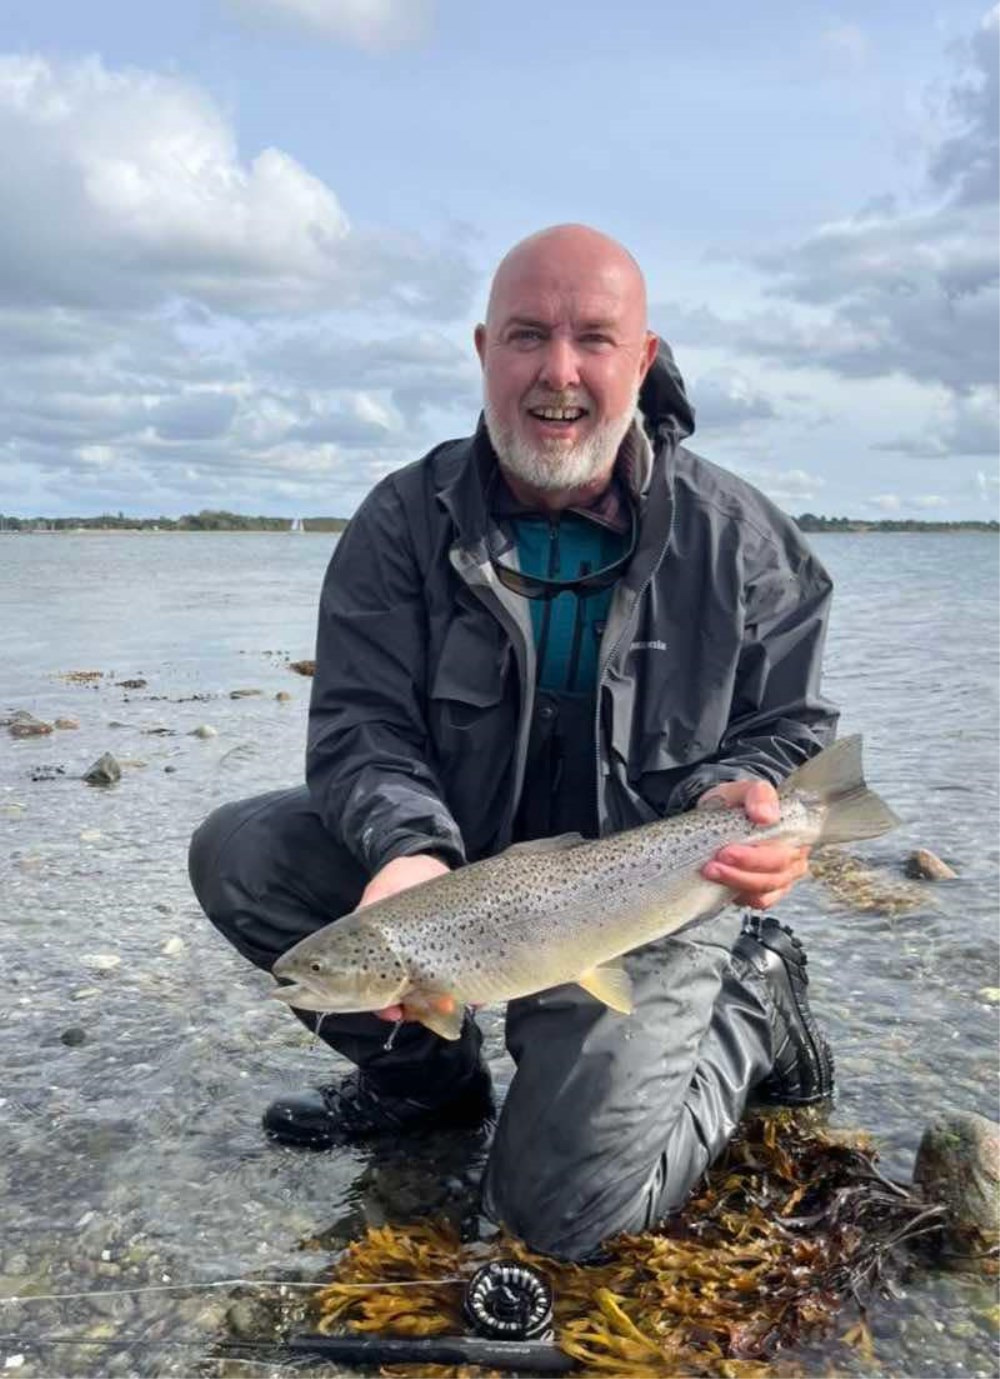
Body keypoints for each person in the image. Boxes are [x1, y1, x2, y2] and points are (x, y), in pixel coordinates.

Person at [189, 224, 838, 1262]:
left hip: (646, 889)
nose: (559, 371)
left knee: (561, 1221)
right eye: (528, 336)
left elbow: (790, 723)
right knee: (243, 850)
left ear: (643, 357)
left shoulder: (741, 538)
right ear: (484, 349)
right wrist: (406, 852)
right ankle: (429, 1086)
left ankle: (751, 998)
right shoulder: (402, 520)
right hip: (460, 872)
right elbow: (362, 725)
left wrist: (752, 799)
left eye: (593, 339)